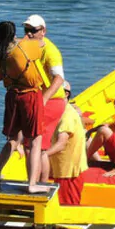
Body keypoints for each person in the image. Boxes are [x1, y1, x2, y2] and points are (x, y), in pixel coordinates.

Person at [0, 21, 47, 192]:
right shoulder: (24, 47)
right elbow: (41, 43)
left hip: (12, 96)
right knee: (35, 141)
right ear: (14, 34)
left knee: (13, 139)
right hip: (30, 95)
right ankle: (32, 184)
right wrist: (24, 38)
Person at [22, 15, 68, 182]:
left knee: (36, 147)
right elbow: (3, 44)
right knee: (33, 147)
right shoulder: (28, 45)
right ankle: (36, 182)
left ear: (43, 31)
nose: (28, 34)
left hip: (51, 101)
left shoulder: (51, 51)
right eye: (26, 30)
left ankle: (38, 183)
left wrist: (44, 99)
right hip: (41, 100)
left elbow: (59, 78)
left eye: (32, 31)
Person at [44, 102, 88, 205]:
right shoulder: (62, 112)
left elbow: (61, 143)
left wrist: (43, 155)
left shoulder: (66, 116)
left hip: (68, 171)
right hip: (62, 168)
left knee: (67, 205)